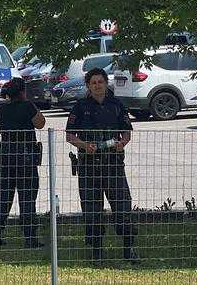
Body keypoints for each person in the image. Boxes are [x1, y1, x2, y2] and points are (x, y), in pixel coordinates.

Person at [66, 67, 139, 265]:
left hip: (113, 165)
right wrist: (83, 145)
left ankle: (129, 249)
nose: (97, 85)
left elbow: (127, 132)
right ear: (88, 86)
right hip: (89, 166)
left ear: (106, 83)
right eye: (93, 83)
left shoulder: (116, 105)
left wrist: (121, 143)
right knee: (92, 210)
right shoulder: (80, 107)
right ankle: (97, 251)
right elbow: (70, 135)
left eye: (100, 82)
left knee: (123, 207)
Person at [0, 76, 46, 248]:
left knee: (3, 196)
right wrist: (30, 105)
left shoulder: (0, 109)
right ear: (22, 92)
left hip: (5, 156)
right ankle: (30, 237)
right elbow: (41, 123)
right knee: (27, 197)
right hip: (25, 157)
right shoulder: (28, 106)